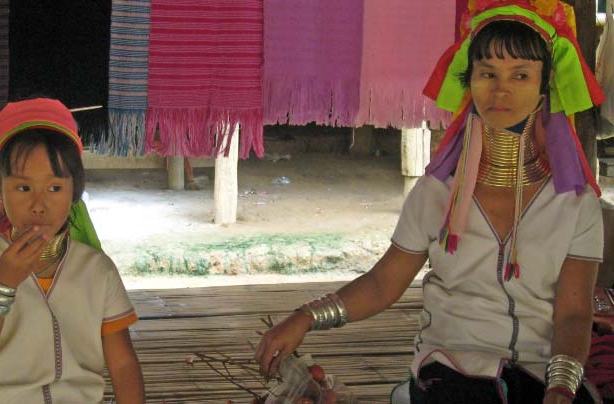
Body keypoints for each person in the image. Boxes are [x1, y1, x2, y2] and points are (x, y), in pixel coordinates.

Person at [255, 1, 606, 403]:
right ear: (469, 82)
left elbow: (574, 314)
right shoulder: (435, 192)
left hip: (538, 373)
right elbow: (382, 284)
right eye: (487, 73)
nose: (501, 89)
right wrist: (305, 317)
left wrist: (561, 387)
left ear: (546, 88)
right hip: (449, 370)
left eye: (521, 75)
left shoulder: (575, 205)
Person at [0, 98, 145, 403]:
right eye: (23, 188)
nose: (38, 205)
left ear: (75, 189)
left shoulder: (97, 271)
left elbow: (122, 365)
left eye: (54, 188)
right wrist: (1, 286)